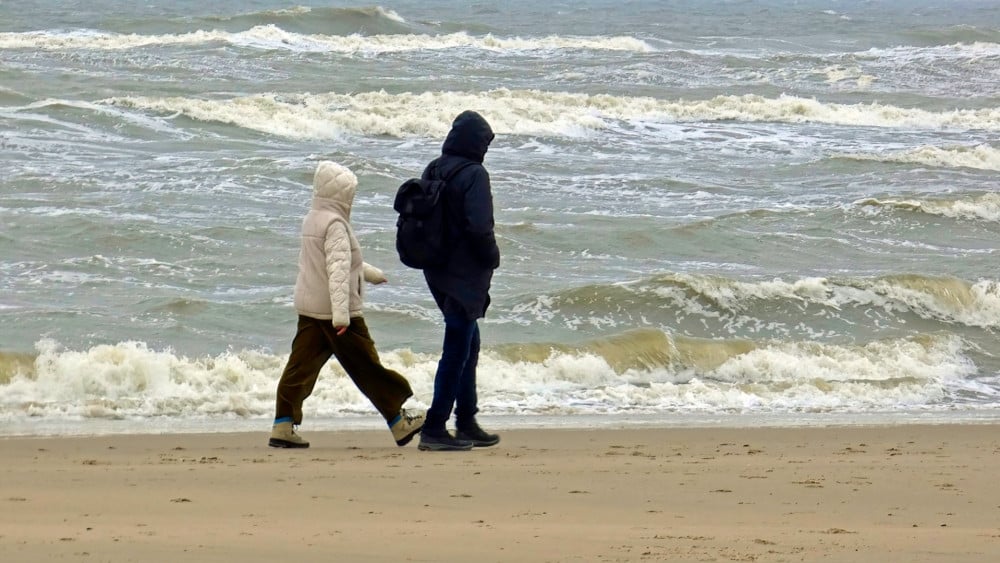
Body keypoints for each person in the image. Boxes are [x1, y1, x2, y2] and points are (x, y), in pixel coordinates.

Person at [270, 161, 424, 449]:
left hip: (311, 309)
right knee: (368, 366)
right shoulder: (336, 224)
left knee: (299, 368)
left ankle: (283, 424)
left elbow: (337, 263)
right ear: (340, 195)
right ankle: (399, 422)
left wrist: (371, 274)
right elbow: (338, 270)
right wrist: (342, 317)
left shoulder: (313, 219)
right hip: (336, 314)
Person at [417, 110, 501, 452]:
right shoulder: (475, 175)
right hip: (463, 274)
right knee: (457, 348)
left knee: (469, 342)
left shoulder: (434, 168)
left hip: (435, 269)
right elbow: (480, 227)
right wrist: (493, 257)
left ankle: (466, 419)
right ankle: (435, 426)